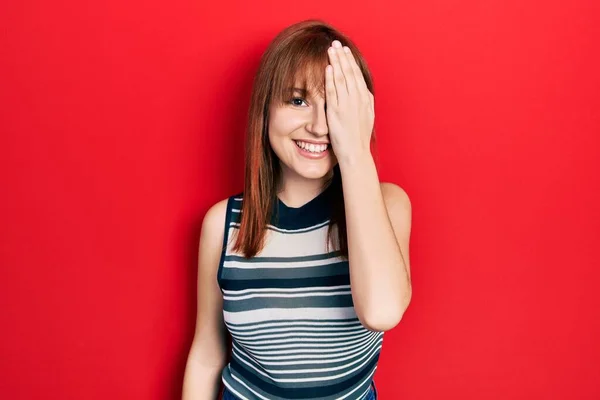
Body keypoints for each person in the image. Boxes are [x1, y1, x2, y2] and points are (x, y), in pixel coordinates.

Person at [182, 19, 412, 400]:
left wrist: (354, 149)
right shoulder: (222, 224)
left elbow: (382, 311)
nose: (320, 126)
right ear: (266, 108)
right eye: (298, 100)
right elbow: (207, 353)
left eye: (335, 105)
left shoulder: (388, 205)